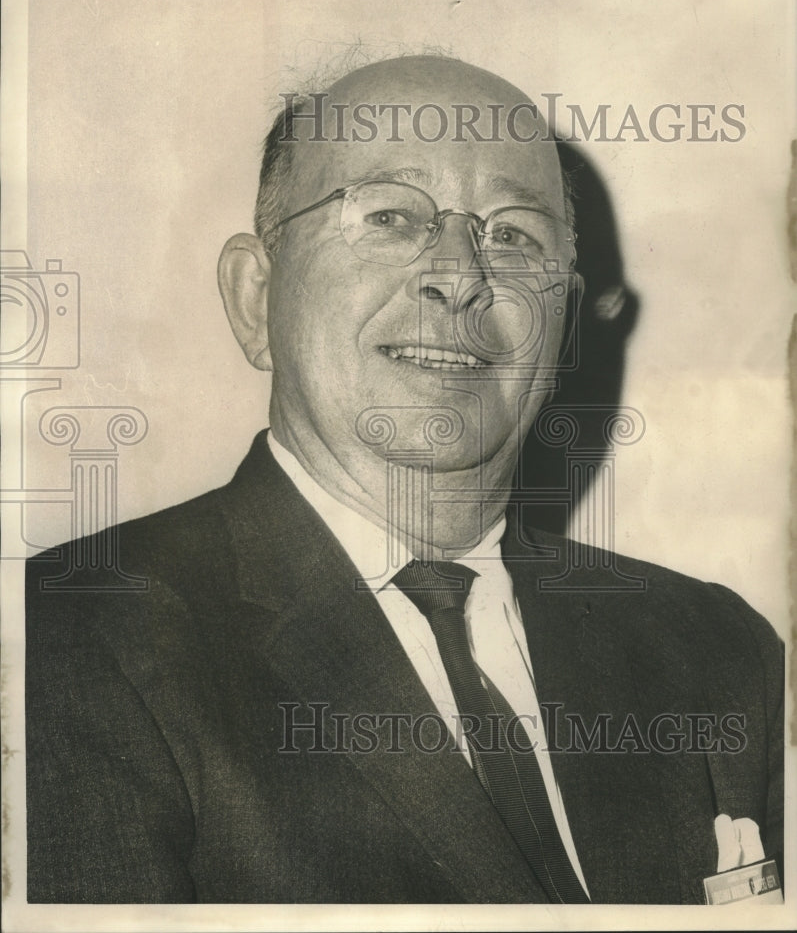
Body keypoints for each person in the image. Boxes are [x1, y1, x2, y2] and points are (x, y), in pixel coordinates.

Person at [26, 55, 783, 905]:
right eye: (389, 215)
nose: (460, 274)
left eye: (512, 234)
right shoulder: (64, 642)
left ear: (562, 323)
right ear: (254, 297)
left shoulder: (718, 653)